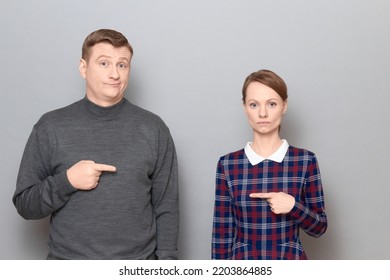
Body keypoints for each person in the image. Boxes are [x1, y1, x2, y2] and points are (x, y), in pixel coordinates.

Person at [13, 29, 179, 260]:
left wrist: (167, 268)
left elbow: (166, 208)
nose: (114, 74)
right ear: (83, 68)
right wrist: (67, 181)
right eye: (104, 63)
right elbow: (25, 205)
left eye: (122, 65)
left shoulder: (154, 128)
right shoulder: (50, 126)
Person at [211, 69, 327, 260]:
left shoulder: (305, 161)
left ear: (284, 106)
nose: (263, 113)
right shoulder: (228, 164)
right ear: (244, 107)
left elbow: (319, 228)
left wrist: (293, 206)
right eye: (254, 104)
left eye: (271, 104)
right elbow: (221, 234)